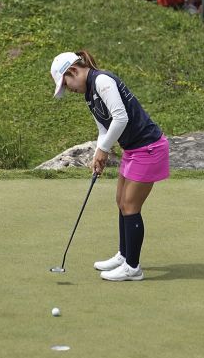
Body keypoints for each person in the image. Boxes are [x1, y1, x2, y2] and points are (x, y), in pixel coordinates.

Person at [50, 50, 169, 283]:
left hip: (149, 148)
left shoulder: (102, 80)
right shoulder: (89, 94)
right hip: (133, 149)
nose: (69, 89)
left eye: (66, 83)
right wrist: (98, 153)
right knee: (121, 202)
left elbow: (120, 117)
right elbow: (104, 128)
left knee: (130, 206)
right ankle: (124, 255)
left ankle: (132, 268)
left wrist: (104, 149)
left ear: (73, 71)